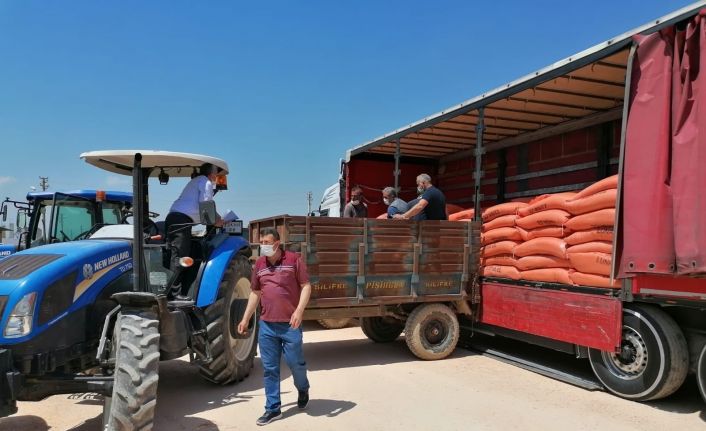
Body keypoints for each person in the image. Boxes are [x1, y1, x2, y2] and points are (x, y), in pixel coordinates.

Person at [238, 227, 312, 426]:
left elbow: (306, 286)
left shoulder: (293, 260)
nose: (263, 246)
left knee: (295, 363)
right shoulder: (260, 264)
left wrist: (299, 311)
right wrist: (246, 318)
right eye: (261, 242)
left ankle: (303, 387)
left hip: (290, 324)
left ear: (277, 243)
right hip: (267, 325)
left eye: (266, 242)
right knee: (270, 369)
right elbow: (255, 292)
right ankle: (273, 409)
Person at [164, 162, 223, 297]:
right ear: (212, 174)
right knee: (179, 257)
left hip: (176, 219)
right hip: (181, 220)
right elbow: (206, 206)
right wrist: (218, 221)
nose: (216, 178)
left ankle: (173, 290)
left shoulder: (196, 181)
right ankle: (173, 294)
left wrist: (216, 217)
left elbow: (205, 207)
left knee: (175, 255)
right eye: (216, 174)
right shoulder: (206, 182)